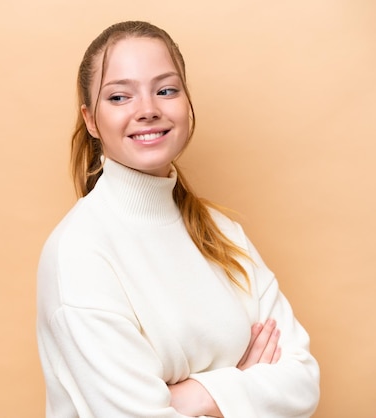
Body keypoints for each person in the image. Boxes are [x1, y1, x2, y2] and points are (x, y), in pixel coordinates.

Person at [36, 20, 320, 417]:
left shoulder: (223, 232)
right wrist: (245, 388)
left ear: (186, 103)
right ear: (90, 119)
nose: (148, 110)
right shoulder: (79, 254)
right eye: (119, 97)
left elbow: (303, 382)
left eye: (166, 90)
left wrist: (201, 395)